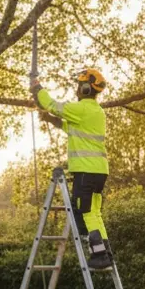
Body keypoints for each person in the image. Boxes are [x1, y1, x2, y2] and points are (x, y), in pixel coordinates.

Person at [30, 66, 114, 269]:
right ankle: (105, 252)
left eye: (79, 86)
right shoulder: (96, 112)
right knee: (94, 212)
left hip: (85, 171)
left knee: (83, 212)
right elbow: (72, 128)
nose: (77, 90)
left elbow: (50, 103)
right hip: (99, 171)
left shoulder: (81, 108)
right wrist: (51, 120)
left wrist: (36, 87)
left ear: (86, 89)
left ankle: (99, 255)